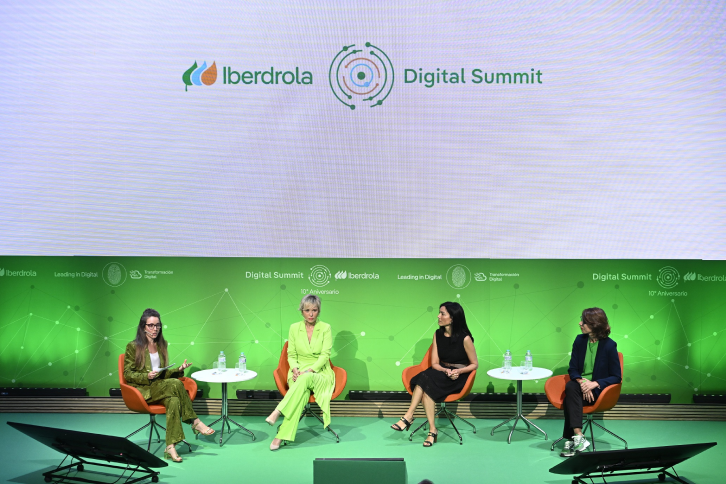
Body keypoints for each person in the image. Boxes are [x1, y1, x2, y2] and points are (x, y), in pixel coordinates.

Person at [123, 308, 214, 462]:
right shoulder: (133, 346)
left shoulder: (161, 345)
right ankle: (195, 422)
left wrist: (178, 370)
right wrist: (146, 375)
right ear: (143, 326)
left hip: (160, 387)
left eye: (157, 325)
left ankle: (170, 447)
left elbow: (162, 373)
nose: (155, 329)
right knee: (175, 384)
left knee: (174, 400)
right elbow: (127, 374)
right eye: (151, 325)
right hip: (144, 391)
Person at [390, 302, 478, 447]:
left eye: (442, 313)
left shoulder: (465, 338)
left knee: (425, 380)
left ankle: (409, 418)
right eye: (439, 312)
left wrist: (457, 371)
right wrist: (446, 370)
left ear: (453, 318)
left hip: (459, 376)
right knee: (425, 379)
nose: (438, 316)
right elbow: (435, 363)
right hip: (441, 371)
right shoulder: (437, 334)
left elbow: (474, 364)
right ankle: (431, 429)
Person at [265, 294, 335, 450]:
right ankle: (280, 436)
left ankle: (277, 411)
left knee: (306, 378)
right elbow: (291, 354)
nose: (311, 314)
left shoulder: (325, 328)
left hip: (320, 373)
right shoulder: (294, 328)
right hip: (298, 372)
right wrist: (296, 369)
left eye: (315, 310)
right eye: (307, 310)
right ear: (302, 311)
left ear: (319, 311)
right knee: (301, 394)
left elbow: (325, 355)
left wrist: (309, 370)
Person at [560, 307, 621, 457]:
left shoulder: (609, 345)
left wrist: (594, 384)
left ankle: (571, 439)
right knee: (571, 386)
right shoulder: (579, 340)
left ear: (595, 324)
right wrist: (582, 383)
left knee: (570, 395)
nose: (580, 323)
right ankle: (578, 436)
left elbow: (616, 376)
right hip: (580, 387)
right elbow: (572, 368)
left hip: (598, 389)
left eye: (584, 321)